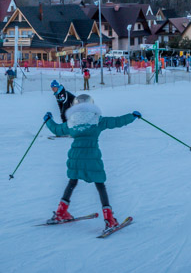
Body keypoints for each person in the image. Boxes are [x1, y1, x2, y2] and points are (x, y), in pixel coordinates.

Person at [43, 94, 140, 230]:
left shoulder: (71, 122)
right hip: (92, 157)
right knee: (100, 184)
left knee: (72, 181)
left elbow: (57, 129)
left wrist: (48, 120)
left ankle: (61, 212)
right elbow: (116, 121)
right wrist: (132, 116)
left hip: (75, 158)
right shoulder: (96, 120)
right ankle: (109, 219)